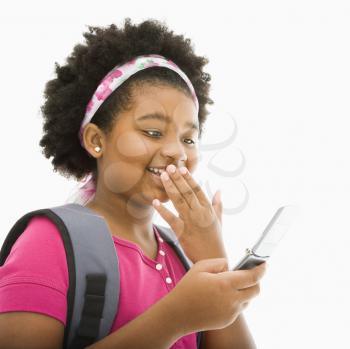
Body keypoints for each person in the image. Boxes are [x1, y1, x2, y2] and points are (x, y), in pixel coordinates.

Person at [0, 18, 267, 349]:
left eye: (189, 138)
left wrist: (212, 259)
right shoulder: (48, 240)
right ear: (96, 140)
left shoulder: (182, 255)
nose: (175, 152)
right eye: (152, 132)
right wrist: (175, 318)